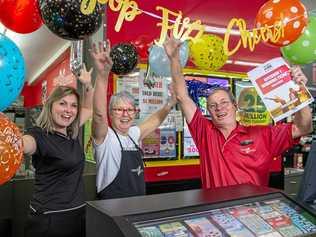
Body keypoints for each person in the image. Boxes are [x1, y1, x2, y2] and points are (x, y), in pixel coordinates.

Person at [163, 35, 312, 189]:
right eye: (213, 106)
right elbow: (182, 96)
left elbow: (304, 127)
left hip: (252, 210)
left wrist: (299, 89)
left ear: (235, 105)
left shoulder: (262, 134)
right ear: (209, 111)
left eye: (224, 102)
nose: (219, 108)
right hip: (216, 211)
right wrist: (174, 58)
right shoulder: (205, 133)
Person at [91, 40, 177, 199]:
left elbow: (155, 120)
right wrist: (102, 75)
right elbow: (98, 115)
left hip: (138, 205)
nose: (125, 114)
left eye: (130, 110)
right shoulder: (105, 138)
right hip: (111, 209)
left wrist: (171, 103)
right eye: (119, 109)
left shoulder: (133, 134)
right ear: (110, 113)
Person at [23, 65, 94, 237]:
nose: (68, 110)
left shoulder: (72, 130)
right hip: (50, 219)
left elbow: (89, 109)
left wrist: (88, 85)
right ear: (50, 106)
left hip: (77, 213)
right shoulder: (39, 135)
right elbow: (24, 144)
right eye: (62, 104)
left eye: (73, 105)